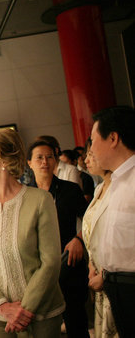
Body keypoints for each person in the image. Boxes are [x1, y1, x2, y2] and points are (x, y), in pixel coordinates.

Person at [0, 129, 64, 337]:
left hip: (41, 314)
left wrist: (24, 310)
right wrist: (2, 306)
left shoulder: (40, 200)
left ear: (3, 159)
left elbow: (51, 261)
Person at [27, 140, 90, 338]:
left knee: (76, 319)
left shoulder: (70, 190)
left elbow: (91, 220)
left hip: (68, 259)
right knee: (43, 324)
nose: (45, 161)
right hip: (37, 266)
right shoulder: (24, 195)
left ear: (55, 161)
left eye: (50, 157)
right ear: (29, 163)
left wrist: (79, 239)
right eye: (39, 157)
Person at [90, 106, 135, 338]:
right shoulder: (115, 180)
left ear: (113, 138)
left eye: (93, 140)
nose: (91, 149)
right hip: (115, 285)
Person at [81, 139, 117, 337]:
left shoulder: (121, 188)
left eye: (91, 153)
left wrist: (104, 274)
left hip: (112, 274)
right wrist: (91, 267)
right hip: (96, 272)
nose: (87, 159)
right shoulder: (99, 188)